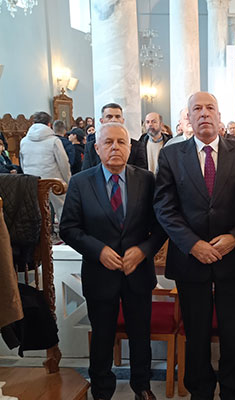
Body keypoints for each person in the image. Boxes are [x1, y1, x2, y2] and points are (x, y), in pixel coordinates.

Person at [153, 91, 235, 399]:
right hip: (191, 259)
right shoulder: (172, 155)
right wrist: (192, 244)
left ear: (218, 114)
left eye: (209, 108)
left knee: (234, 332)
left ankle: (231, 391)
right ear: (188, 117)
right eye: (197, 109)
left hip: (233, 257)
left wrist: (234, 237)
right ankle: (200, 391)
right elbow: (164, 207)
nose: (204, 113)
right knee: (196, 331)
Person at [60, 123, 165, 400]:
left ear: (130, 148)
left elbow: (161, 227)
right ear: (97, 148)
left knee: (140, 335)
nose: (115, 147)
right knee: (102, 336)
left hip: (137, 272)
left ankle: (142, 386)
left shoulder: (147, 180)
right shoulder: (81, 182)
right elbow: (69, 228)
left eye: (121, 142)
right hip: (100, 274)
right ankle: (102, 390)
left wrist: (143, 251)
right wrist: (99, 251)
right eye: (108, 142)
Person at [19, 111, 71, 222]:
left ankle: (42, 231)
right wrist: (67, 180)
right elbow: (63, 163)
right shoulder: (54, 141)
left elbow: (22, 163)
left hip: (32, 181)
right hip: (53, 181)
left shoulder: (24, 141)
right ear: (49, 124)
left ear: (33, 123)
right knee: (62, 207)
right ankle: (65, 229)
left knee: (38, 210)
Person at [82, 103, 147, 170]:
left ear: (122, 121)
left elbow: (141, 174)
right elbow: (86, 174)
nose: (114, 120)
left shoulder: (137, 146)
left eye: (117, 117)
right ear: (102, 121)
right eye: (109, 117)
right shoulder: (90, 147)